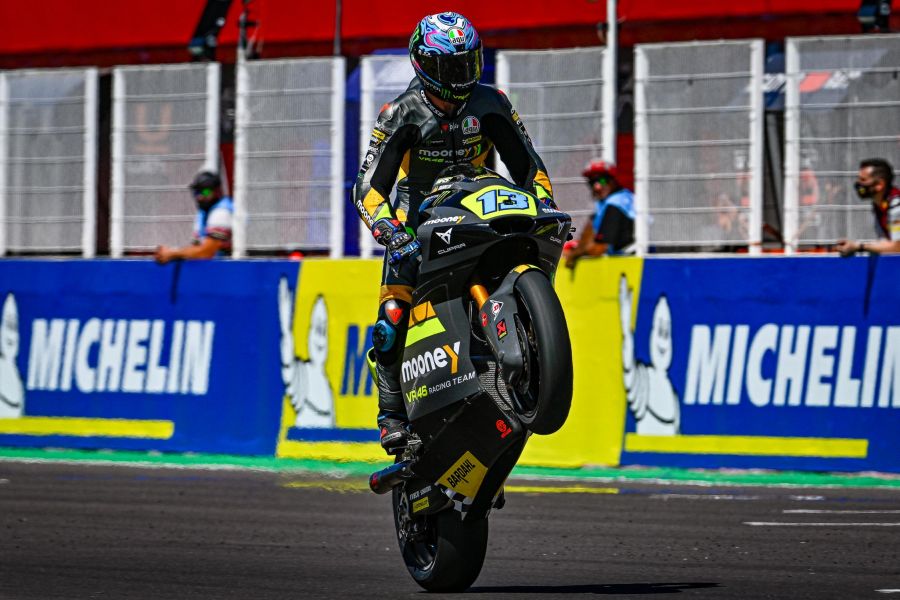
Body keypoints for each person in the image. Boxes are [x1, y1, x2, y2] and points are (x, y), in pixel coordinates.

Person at [353, 11, 556, 454]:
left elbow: (529, 167)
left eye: (468, 62)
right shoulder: (400, 113)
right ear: (424, 64)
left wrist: (545, 204)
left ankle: (527, 343)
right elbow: (367, 188)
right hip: (418, 226)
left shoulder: (492, 102)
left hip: (480, 210)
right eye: (451, 66)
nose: (462, 75)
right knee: (391, 320)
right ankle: (391, 416)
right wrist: (391, 233)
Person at [562, 159, 634, 268]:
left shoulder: (615, 204)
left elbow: (598, 249)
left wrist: (574, 255)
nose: (597, 187)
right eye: (592, 182)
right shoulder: (614, 200)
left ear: (612, 180)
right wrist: (577, 247)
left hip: (631, 262)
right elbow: (589, 233)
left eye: (602, 180)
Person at [154, 170, 234, 264]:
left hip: (229, 269)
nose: (200, 196)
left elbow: (206, 253)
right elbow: (196, 249)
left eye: (205, 192)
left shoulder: (222, 212)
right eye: (197, 192)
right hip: (213, 269)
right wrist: (171, 252)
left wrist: (172, 253)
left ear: (217, 192)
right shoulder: (204, 213)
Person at [835, 158, 900, 256]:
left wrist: (859, 247)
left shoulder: (896, 206)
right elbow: (885, 243)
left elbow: (897, 247)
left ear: (879, 185)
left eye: (863, 180)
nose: (858, 184)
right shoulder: (879, 205)